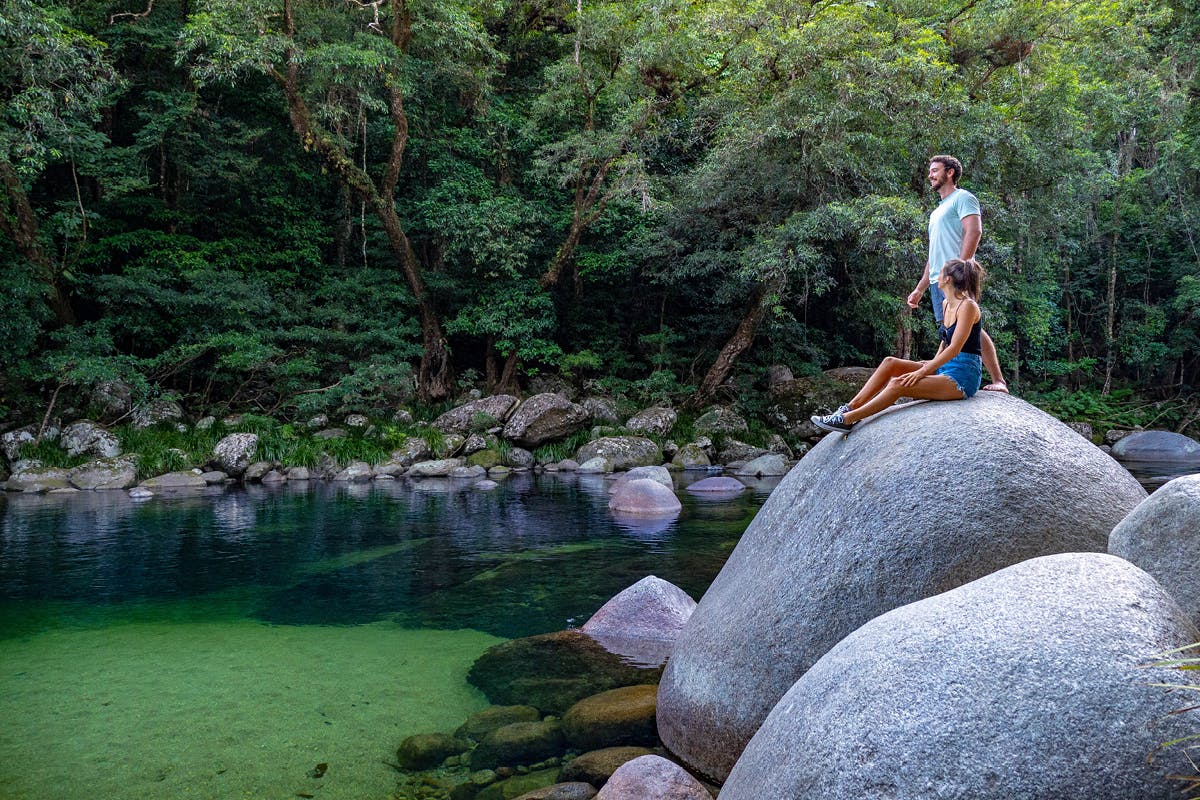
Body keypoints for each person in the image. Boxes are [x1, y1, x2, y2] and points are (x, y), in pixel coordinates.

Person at [811, 258, 985, 433]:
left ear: (947, 279)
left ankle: (847, 420)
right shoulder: (946, 303)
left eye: (940, 273)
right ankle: (849, 408)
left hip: (962, 376)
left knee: (898, 384)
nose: (936, 276)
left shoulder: (968, 307)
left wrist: (922, 371)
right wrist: (932, 363)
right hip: (946, 367)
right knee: (890, 363)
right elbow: (945, 340)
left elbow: (955, 348)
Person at [907, 155, 1008, 393]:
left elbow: (974, 231)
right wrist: (920, 288)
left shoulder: (963, 198)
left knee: (972, 329)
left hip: (956, 277)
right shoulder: (937, 212)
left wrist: (961, 269)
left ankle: (999, 380)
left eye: (935, 170)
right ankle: (941, 370)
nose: (930, 175)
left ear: (950, 172)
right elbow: (934, 254)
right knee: (948, 329)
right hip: (938, 281)